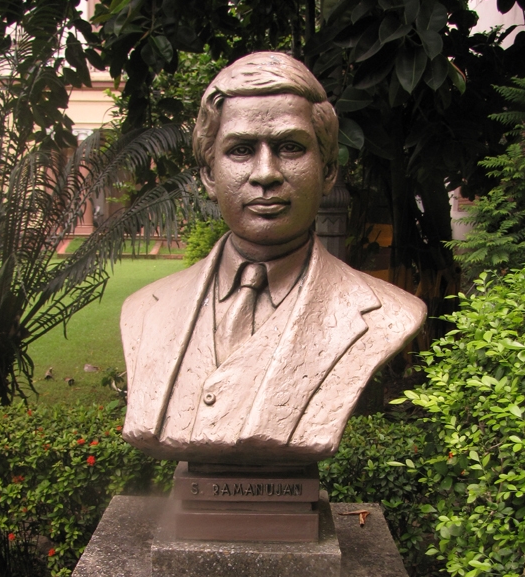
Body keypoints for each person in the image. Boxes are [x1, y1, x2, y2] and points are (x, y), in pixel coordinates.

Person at [121, 52, 426, 466]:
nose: (266, 173)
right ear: (209, 175)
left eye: (289, 147)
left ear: (328, 172)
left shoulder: (388, 314)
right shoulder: (144, 311)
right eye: (242, 150)